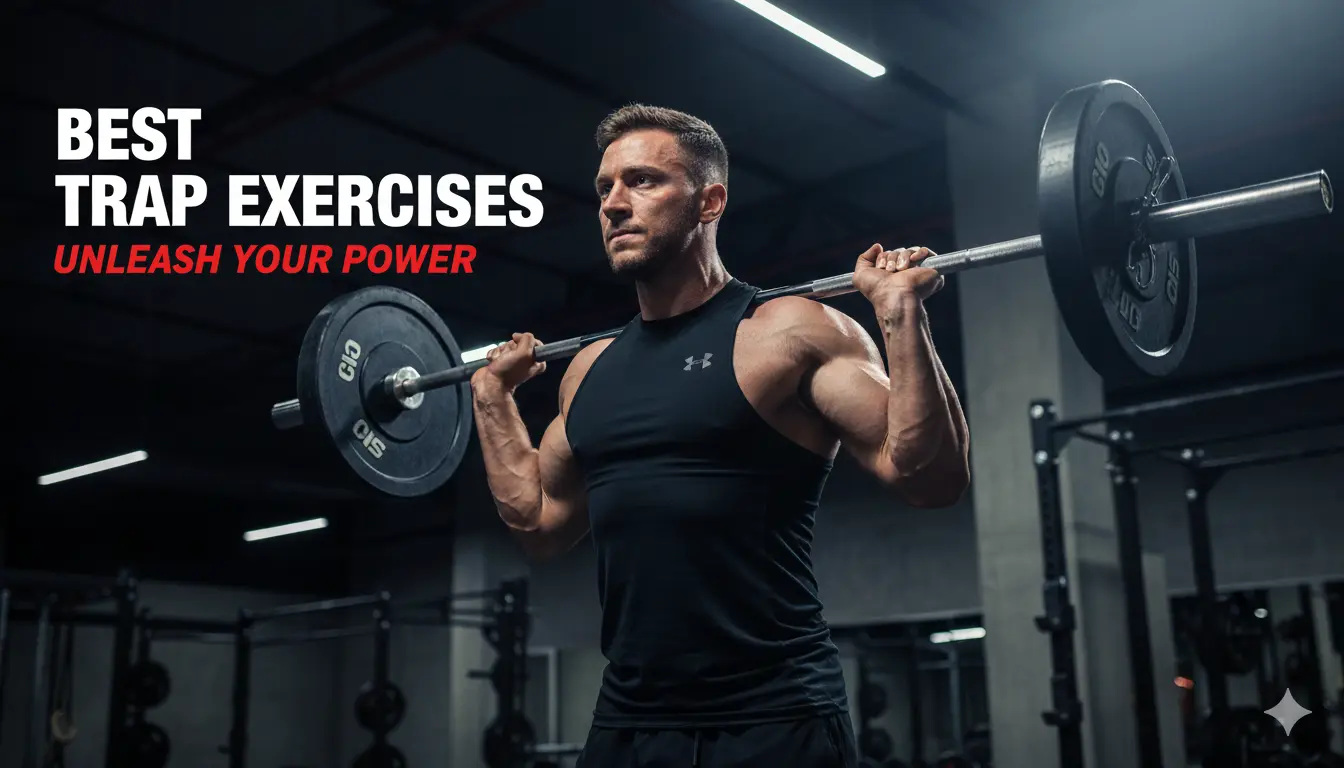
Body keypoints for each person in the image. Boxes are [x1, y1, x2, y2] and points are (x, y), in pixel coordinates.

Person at [469, 104, 971, 767]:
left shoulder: (789, 331)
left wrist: (901, 315)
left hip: (775, 717)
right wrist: (491, 397)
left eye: (643, 181)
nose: (615, 204)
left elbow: (929, 478)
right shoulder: (588, 371)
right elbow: (540, 523)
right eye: (605, 188)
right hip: (629, 722)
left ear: (710, 201)